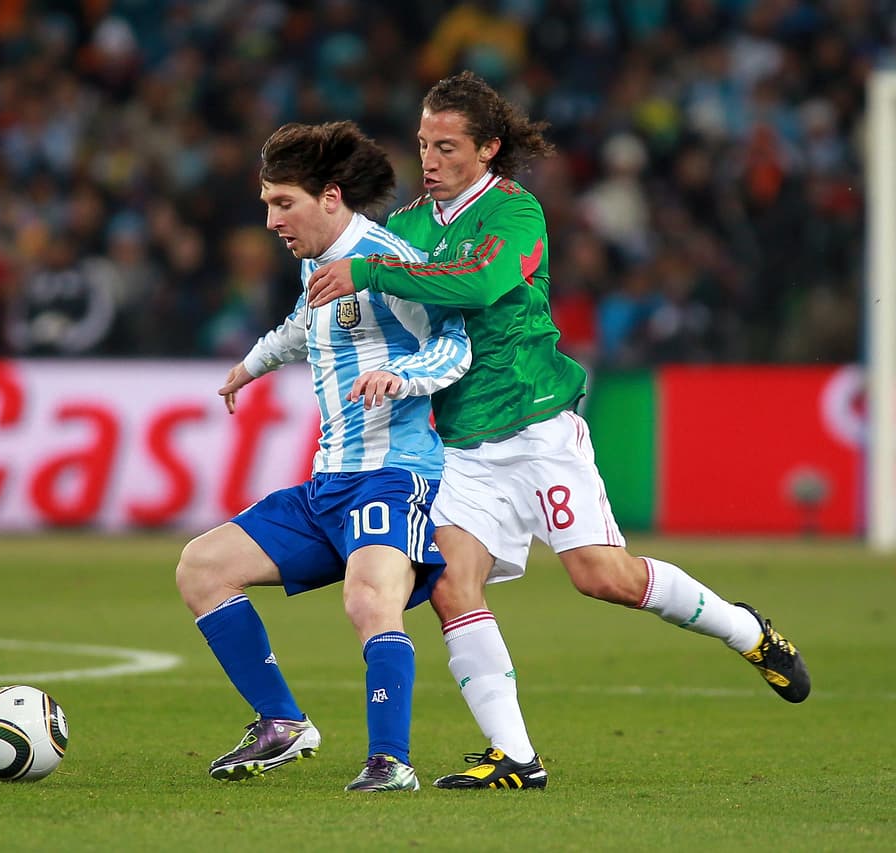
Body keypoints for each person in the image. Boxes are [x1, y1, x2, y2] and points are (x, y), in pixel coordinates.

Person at [307, 70, 811, 791]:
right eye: (423, 144)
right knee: (450, 584)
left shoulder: (516, 214)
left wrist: (376, 273)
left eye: (448, 146)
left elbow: (478, 285)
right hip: (459, 443)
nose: (431, 159)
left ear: (487, 149)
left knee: (601, 576)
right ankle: (515, 754)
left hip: (537, 425)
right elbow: (379, 301)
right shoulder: (408, 228)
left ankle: (745, 630)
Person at [175, 121, 472, 792]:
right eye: (267, 205)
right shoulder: (318, 261)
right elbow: (304, 326)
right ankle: (282, 722)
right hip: (328, 484)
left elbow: (455, 344)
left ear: (331, 197)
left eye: (284, 203)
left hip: (393, 477)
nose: (272, 220)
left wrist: (404, 377)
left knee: (369, 600)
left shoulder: (390, 264)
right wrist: (250, 365)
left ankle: (390, 761)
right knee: (201, 567)